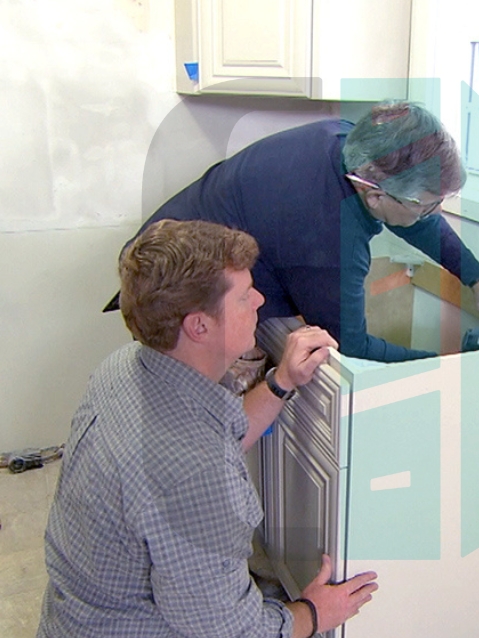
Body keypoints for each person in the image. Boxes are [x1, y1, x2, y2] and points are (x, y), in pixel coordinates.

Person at [38, 219, 378, 638]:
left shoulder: (125, 367)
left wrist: (281, 382)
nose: (259, 299)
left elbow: (219, 439)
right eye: (242, 296)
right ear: (199, 325)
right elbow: (233, 632)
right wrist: (312, 613)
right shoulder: (194, 475)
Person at [107, 100, 479, 362]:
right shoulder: (331, 238)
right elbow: (351, 347)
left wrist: (476, 278)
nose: (434, 213)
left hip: (172, 248)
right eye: (429, 204)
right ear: (375, 195)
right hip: (180, 298)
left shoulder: (351, 142)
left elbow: (414, 216)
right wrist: (444, 364)